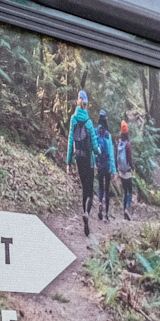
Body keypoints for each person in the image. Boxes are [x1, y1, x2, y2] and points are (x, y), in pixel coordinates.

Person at [65, 91, 97, 236]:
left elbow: (70, 141)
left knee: (84, 186)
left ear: (78, 101)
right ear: (86, 103)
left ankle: (83, 211)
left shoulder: (73, 119)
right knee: (90, 191)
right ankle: (86, 213)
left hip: (78, 158)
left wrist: (68, 161)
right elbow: (95, 146)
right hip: (89, 160)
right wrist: (99, 153)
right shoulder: (89, 123)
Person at [93, 111, 116, 222]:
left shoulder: (95, 132)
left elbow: (93, 147)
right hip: (107, 165)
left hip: (99, 163)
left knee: (100, 186)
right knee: (107, 188)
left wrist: (94, 162)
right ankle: (106, 214)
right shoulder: (108, 135)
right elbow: (111, 153)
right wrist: (114, 170)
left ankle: (100, 202)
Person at [116, 117, 135, 219]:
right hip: (127, 171)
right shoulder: (127, 145)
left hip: (120, 170)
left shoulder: (119, 143)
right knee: (130, 191)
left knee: (124, 191)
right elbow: (129, 158)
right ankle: (127, 208)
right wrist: (132, 167)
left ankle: (124, 212)